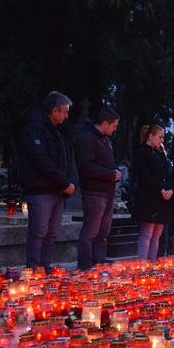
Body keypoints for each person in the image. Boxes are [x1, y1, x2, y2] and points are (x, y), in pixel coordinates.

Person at [18, 91, 75, 271]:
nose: (67, 116)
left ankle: (45, 266)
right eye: (65, 111)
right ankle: (34, 268)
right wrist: (64, 183)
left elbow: (64, 160)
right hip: (41, 189)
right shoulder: (35, 129)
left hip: (57, 190)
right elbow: (41, 161)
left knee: (52, 233)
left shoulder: (56, 131)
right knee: (39, 232)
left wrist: (67, 181)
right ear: (55, 110)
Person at [74, 106, 121, 270]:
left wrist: (114, 173)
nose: (115, 129)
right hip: (94, 191)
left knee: (103, 231)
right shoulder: (86, 138)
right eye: (114, 125)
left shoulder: (105, 140)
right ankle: (86, 265)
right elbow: (86, 166)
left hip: (107, 191)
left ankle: (99, 261)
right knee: (91, 231)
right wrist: (110, 174)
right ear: (106, 123)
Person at [131, 124, 172, 261]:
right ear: (151, 136)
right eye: (160, 137)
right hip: (148, 197)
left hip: (162, 198)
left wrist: (169, 189)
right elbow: (145, 175)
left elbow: (168, 173)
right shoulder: (141, 152)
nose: (162, 141)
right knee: (147, 232)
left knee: (157, 234)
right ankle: (142, 263)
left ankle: (152, 262)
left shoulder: (161, 154)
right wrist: (161, 189)